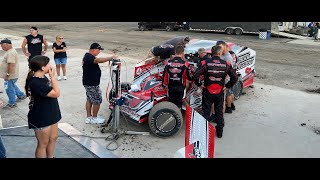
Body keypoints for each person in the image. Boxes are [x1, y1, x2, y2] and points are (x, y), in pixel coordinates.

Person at [193, 45, 237, 138]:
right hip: (219, 91)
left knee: (206, 112)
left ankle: (203, 133)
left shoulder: (205, 62)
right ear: (220, 53)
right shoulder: (226, 64)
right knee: (219, 112)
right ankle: (219, 133)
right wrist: (227, 86)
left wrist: (199, 84)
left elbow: (195, 76)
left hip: (207, 91)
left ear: (211, 53)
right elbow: (235, 78)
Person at [25, 55, 61, 158]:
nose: (50, 66)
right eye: (48, 64)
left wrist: (50, 78)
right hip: (41, 116)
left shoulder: (42, 77)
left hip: (51, 111)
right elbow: (56, 93)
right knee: (43, 143)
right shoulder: (35, 82)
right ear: (42, 67)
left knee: (53, 137)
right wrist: (53, 77)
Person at [83, 43, 117, 124]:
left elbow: (97, 59)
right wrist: (110, 58)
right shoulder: (89, 57)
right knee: (97, 100)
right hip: (92, 83)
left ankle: (89, 117)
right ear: (94, 49)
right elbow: (98, 60)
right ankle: (94, 118)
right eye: (98, 50)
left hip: (88, 82)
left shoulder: (88, 56)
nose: (99, 52)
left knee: (89, 99)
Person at [0, 39, 27, 108]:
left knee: (9, 89)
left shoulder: (10, 53)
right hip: (12, 75)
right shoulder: (10, 51)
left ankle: (12, 103)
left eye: (2, 45)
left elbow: (11, 65)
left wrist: (8, 75)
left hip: (10, 75)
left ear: (6, 44)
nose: (1, 47)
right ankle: (21, 95)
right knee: (12, 85)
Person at [162, 45, 191, 109]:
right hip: (180, 87)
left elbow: (164, 74)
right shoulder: (185, 64)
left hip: (171, 87)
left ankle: (171, 116)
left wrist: (164, 84)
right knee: (179, 104)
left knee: (171, 104)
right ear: (183, 53)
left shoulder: (168, 63)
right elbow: (188, 76)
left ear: (175, 52)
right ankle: (178, 116)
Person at [216, 41, 236, 113]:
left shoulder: (227, 57)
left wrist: (223, 80)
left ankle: (229, 108)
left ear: (225, 46)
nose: (220, 49)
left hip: (227, 78)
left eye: (221, 47)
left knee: (228, 94)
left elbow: (228, 71)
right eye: (219, 48)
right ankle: (232, 105)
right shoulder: (225, 54)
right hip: (228, 77)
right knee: (230, 92)